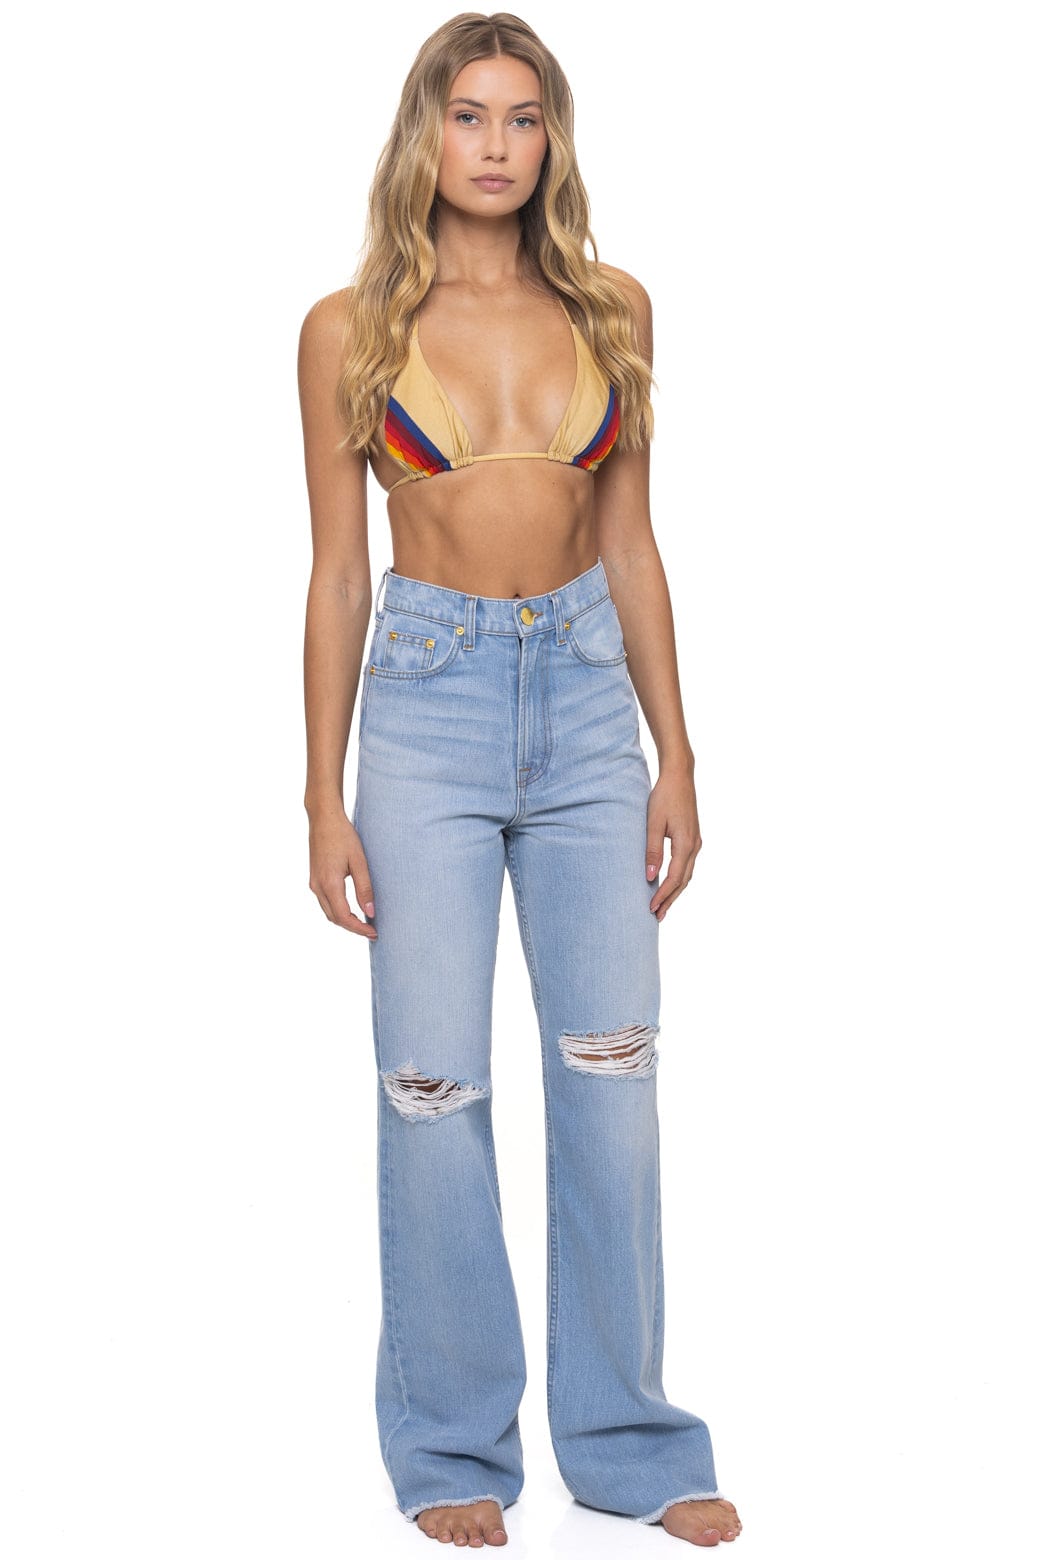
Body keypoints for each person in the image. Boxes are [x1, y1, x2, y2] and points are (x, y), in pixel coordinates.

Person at [297, 11, 742, 1548]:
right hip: (424, 709)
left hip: (586, 701)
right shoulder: (348, 326)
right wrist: (321, 792)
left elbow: (632, 543)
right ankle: (450, 1450)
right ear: (425, 132)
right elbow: (338, 573)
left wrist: (677, 755)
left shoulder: (614, 308)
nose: (496, 144)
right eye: (469, 114)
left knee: (613, 1077)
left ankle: (627, 1441)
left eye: (523, 116)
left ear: (552, 138)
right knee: (432, 1088)